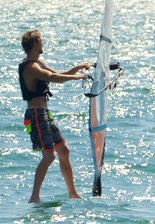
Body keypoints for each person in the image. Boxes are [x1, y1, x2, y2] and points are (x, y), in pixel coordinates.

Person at [19, 29, 92, 202]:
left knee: (63, 150)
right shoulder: (31, 67)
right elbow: (53, 77)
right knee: (49, 155)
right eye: (41, 41)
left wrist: (79, 68)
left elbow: (61, 74)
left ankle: (72, 193)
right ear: (36, 44)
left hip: (44, 114)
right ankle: (34, 197)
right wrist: (79, 77)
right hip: (35, 115)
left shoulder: (40, 62)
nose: (43, 43)